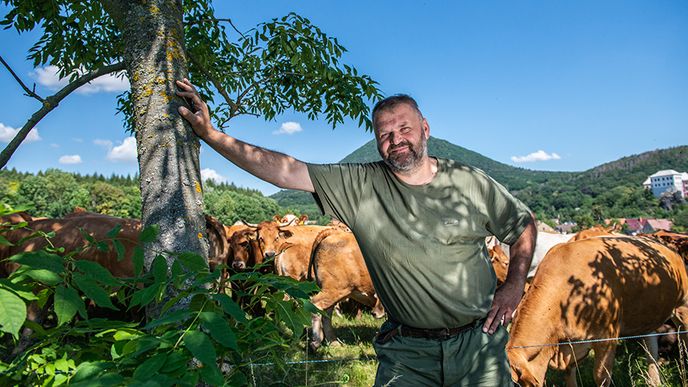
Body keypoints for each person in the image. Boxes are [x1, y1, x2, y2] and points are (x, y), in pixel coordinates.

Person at [176, 78, 536, 386]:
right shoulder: (361, 184)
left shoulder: (468, 183)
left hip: (478, 345)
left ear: (425, 129)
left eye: (405, 129)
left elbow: (523, 226)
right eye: (385, 134)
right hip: (408, 352)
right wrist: (211, 134)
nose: (396, 139)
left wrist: (515, 283)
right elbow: (284, 170)